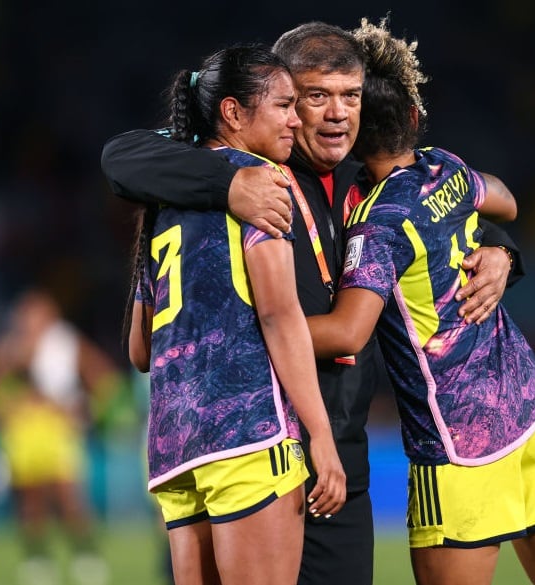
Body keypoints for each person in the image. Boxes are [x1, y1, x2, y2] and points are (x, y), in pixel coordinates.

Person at [101, 21, 525, 585]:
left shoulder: (367, 176)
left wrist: (500, 251)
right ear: (280, 98)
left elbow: (444, 202)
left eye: (349, 96)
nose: (335, 114)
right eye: (312, 97)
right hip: (266, 436)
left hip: (338, 451)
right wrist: (228, 184)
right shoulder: (257, 169)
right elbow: (120, 155)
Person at [302, 18, 535, 585]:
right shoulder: (445, 165)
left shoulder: (377, 222)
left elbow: (347, 333)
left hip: (459, 441)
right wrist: (494, 248)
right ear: (415, 119)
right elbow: (507, 201)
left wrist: (252, 326)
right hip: (533, 409)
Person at [123, 44, 346, 585]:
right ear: (233, 112)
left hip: (176, 444)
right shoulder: (258, 182)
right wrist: (321, 434)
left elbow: (140, 350)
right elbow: (279, 317)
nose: (298, 120)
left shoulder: (163, 197)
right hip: (246, 434)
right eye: (284, 106)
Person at [0, 288, 121, 585]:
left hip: (57, 429)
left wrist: (87, 411)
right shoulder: (11, 347)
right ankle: (37, 561)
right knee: (30, 500)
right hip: (24, 430)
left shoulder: (65, 344)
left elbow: (104, 377)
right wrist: (0, 412)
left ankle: (85, 555)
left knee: (69, 497)